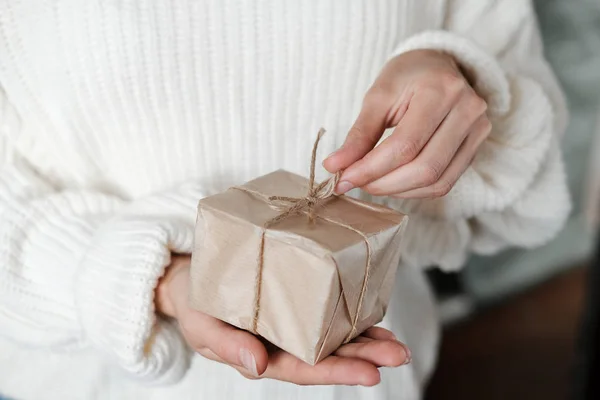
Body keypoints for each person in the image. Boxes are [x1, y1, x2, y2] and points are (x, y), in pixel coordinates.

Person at [0, 0, 571, 399]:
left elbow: (533, 196)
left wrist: (461, 78)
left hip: (369, 382)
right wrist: (149, 277)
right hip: (91, 382)